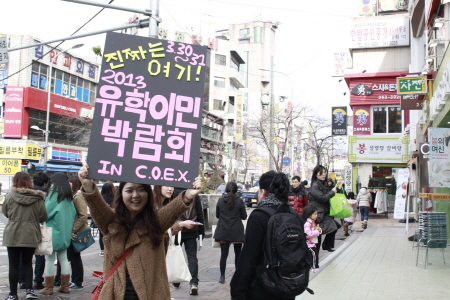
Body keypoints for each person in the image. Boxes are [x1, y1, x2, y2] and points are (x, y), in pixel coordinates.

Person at [77, 163, 203, 299]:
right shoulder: (110, 221)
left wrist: (190, 194)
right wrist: (87, 184)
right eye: (129, 190)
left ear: (148, 194)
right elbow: (96, 205)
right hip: (114, 295)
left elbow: (175, 209)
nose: (135, 195)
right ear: (121, 194)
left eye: (141, 190)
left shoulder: (156, 221)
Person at [231, 171, 298, 300]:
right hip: (288, 285)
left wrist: (237, 290)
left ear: (262, 191)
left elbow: (248, 258)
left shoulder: (259, 216)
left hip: (263, 287)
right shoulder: (293, 215)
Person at [2, 172, 47, 300]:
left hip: (13, 233)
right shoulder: (38, 198)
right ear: (29, 181)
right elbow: (43, 216)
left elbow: (5, 212)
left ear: (15, 181)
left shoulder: (10, 196)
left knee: (13, 265)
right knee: (27, 263)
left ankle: (13, 294)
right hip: (31, 233)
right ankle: (29, 291)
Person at [39, 172, 76, 295]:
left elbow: (45, 213)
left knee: (49, 259)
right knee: (64, 259)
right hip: (65, 233)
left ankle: (48, 288)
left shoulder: (54, 195)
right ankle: (65, 286)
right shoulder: (68, 196)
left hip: (53, 232)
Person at [172, 187, 205, 296]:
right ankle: (194, 283)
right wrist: (201, 231)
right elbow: (200, 213)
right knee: (192, 257)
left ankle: (176, 281)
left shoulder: (173, 192)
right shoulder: (193, 194)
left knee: (176, 256)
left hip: (177, 230)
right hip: (192, 229)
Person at [213, 182, 247, 284]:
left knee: (224, 255)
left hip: (223, 230)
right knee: (238, 254)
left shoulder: (220, 200)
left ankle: (222, 276)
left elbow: (217, 215)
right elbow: (244, 216)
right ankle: (237, 276)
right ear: (236, 190)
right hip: (236, 231)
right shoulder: (240, 201)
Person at [308, 165, 342, 253]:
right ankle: (316, 258)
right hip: (317, 214)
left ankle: (327, 245)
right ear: (316, 174)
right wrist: (333, 191)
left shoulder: (323, 184)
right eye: (321, 173)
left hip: (323, 213)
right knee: (317, 236)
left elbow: (327, 196)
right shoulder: (315, 185)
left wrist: (337, 189)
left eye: (325, 172)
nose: (324, 174)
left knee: (334, 227)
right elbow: (322, 198)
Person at [153, 185, 196, 254]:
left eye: (172, 186)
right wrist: (181, 225)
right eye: (166, 186)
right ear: (158, 186)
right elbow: (157, 231)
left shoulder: (165, 203)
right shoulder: (152, 205)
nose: (170, 189)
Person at [67, 175, 89, 290]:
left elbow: (83, 215)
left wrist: (73, 229)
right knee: (73, 256)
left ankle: (78, 281)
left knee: (75, 257)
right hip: (74, 231)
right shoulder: (74, 196)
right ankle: (74, 279)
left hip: (77, 232)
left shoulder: (78, 196)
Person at [302, 205, 322, 271]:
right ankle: (313, 267)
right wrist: (317, 231)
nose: (316, 215)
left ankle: (314, 266)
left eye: (317, 214)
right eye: (315, 214)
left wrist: (318, 230)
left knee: (313, 253)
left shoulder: (312, 222)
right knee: (313, 253)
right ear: (309, 214)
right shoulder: (307, 223)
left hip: (310, 243)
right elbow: (307, 233)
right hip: (308, 243)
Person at [99, 181, 116, 256]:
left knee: (102, 235)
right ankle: (112, 249)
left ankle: (102, 250)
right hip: (112, 220)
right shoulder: (114, 198)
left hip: (101, 220)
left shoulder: (100, 198)